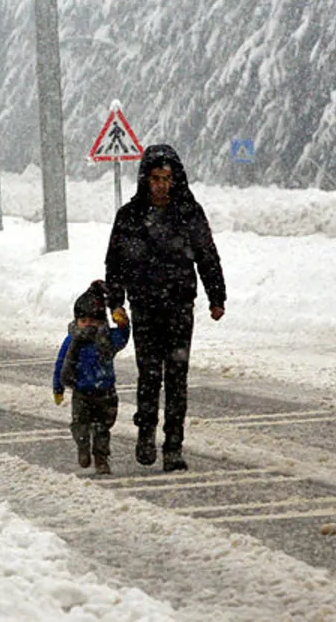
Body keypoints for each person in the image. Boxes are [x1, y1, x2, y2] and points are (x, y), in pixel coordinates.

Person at [104, 144, 225, 473]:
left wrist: (217, 297)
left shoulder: (189, 213)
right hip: (144, 306)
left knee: (176, 377)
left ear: (176, 179)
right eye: (155, 178)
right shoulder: (129, 217)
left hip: (179, 306)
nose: (161, 184)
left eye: (167, 178)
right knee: (149, 375)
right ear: (146, 179)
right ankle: (146, 432)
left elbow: (206, 254)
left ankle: (174, 445)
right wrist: (115, 302)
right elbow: (115, 264)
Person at [52, 280, 130, 475]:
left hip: (105, 392)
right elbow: (61, 363)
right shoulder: (72, 341)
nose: (88, 325)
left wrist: (122, 322)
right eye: (84, 320)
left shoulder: (106, 338)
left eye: (94, 321)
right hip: (81, 392)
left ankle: (101, 458)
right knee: (80, 425)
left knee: (103, 428)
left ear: (102, 322)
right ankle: (83, 446)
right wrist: (58, 388)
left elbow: (122, 337)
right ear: (76, 321)